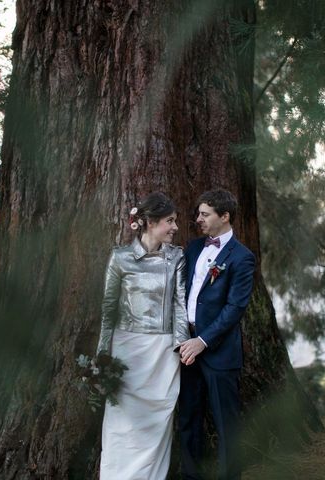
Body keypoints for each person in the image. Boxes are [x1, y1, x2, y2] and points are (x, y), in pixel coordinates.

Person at [96, 192, 190, 479]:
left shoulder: (177, 257)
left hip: (163, 352)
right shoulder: (120, 257)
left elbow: (180, 305)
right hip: (126, 349)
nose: (175, 227)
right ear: (149, 223)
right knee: (122, 421)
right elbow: (108, 308)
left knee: (158, 419)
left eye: (174, 221)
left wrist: (180, 345)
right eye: (169, 221)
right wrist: (102, 356)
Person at [178, 189, 256, 480]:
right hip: (186, 348)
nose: (198, 219)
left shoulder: (242, 257)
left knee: (227, 424)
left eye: (205, 214)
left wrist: (203, 340)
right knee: (188, 420)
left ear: (224, 216)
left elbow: (235, 308)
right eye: (199, 213)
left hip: (218, 352)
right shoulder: (194, 247)